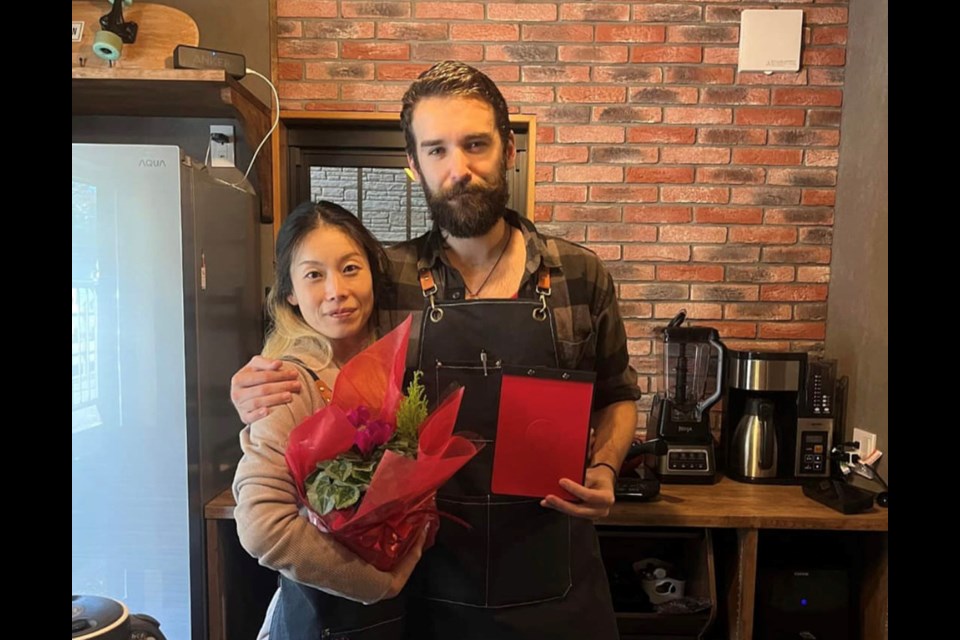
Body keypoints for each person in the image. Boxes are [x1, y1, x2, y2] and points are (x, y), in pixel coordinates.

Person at [231, 61, 641, 640]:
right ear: (413, 165)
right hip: (423, 589)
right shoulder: (387, 275)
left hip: (556, 581)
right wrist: (251, 382)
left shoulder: (579, 273)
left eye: (476, 144)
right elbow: (318, 352)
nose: (460, 169)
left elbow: (619, 394)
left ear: (509, 152)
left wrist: (605, 466)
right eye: (437, 150)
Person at [232, 200, 429, 640]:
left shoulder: (395, 368)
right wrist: (376, 584)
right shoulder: (286, 382)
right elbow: (261, 525)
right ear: (289, 292)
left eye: (350, 268)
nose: (336, 290)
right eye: (314, 275)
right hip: (325, 619)